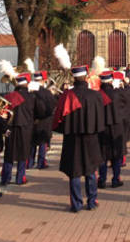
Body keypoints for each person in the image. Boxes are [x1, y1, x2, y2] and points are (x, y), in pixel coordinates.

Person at [53, 65, 106, 212]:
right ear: (87, 76)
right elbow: (101, 119)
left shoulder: (67, 95)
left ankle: (76, 204)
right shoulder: (95, 95)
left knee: (74, 172)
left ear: (73, 77)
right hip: (91, 138)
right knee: (90, 170)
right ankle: (92, 201)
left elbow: (58, 119)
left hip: (72, 139)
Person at [1, 73, 38, 185]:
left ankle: (5, 178)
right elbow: (36, 112)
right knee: (23, 153)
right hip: (26, 128)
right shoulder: (32, 97)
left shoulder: (9, 96)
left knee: (9, 154)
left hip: (11, 127)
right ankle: (20, 178)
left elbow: (3, 113)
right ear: (27, 83)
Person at [98, 71, 126, 188]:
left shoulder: (98, 95)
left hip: (102, 128)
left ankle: (102, 180)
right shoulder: (117, 94)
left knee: (103, 157)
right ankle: (115, 179)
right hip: (116, 127)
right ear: (111, 81)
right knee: (116, 156)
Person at [29, 71, 57, 170]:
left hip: (32, 120)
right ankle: (41, 163)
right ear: (44, 80)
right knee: (42, 143)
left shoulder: (29, 91)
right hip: (44, 121)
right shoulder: (46, 92)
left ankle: (30, 162)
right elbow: (52, 106)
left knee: (32, 143)